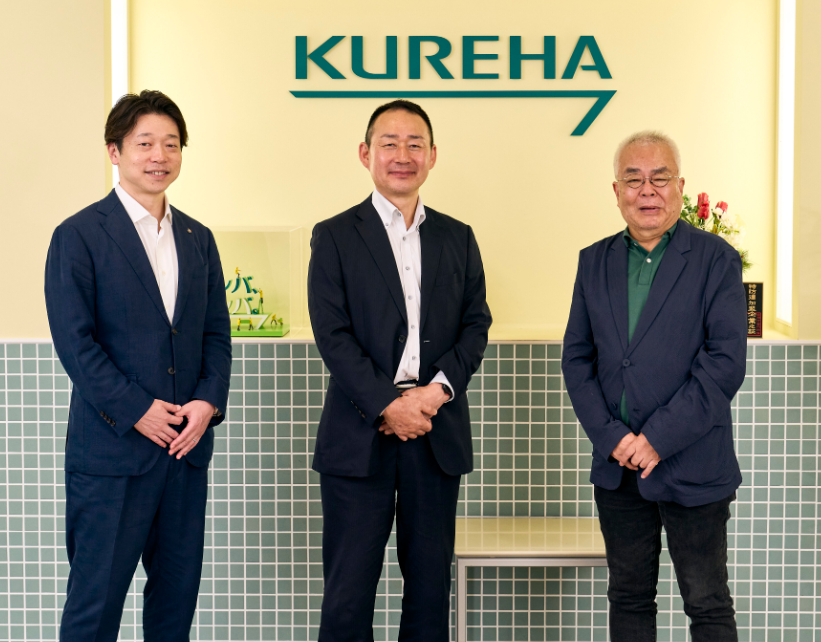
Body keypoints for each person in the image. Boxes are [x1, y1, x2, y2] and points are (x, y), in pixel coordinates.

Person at [44, 90, 232, 641]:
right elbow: (75, 344)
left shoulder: (198, 238)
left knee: (175, 607)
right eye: (145, 143)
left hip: (184, 452)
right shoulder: (79, 235)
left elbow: (216, 334)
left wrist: (207, 402)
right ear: (115, 151)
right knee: (94, 608)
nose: (159, 156)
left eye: (171, 144)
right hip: (111, 454)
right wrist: (137, 410)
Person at [307, 100, 492, 642]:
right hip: (358, 436)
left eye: (415, 144)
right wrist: (389, 405)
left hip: (435, 434)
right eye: (389, 143)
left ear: (433, 156)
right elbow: (332, 335)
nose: (402, 155)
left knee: (430, 594)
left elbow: (475, 325)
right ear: (365, 154)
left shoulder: (457, 237)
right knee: (347, 596)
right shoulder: (334, 236)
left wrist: (433, 394)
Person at [561, 131, 747, 642]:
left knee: (707, 602)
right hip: (618, 468)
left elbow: (724, 364)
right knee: (628, 597)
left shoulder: (716, 259)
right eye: (633, 179)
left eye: (659, 178)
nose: (647, 190)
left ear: (680, 187)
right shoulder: (593, 261)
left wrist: (657, 439)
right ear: (616, 190)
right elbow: (576, 358)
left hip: (694, 462)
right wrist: (613, 438)